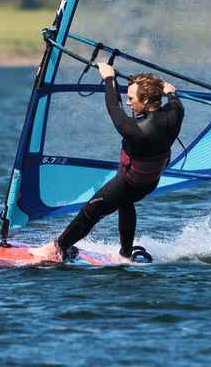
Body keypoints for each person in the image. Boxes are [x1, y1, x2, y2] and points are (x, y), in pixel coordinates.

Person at [30, 63, 184, 263]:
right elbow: (174, 100)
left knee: (90, 212)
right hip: (149, 182)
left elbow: (113, 106)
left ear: (146, 99)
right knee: (126, 204)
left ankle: (57, 248)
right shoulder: (175, 114)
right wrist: (170, 92)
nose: (128, 103)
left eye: (131, 99)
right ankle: (126, 254)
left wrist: (109, 78)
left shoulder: (136, 129)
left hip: (128, 183)